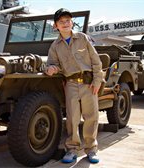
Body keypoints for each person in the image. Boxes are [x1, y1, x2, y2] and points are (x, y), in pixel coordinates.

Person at [44, 8, 104, 163]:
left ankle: (91, 149)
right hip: (70, 84)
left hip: (88, 84)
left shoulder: (83, 38)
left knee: (91, 117)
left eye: (67, 20)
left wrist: (97, 81)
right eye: (61, 21)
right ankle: (72, 149)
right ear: (56, 26)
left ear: (72, 23)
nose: (65, 24)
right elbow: (51, 64)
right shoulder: (55, 46)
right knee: (72, 118)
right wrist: (49, 69)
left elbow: (96, 61)